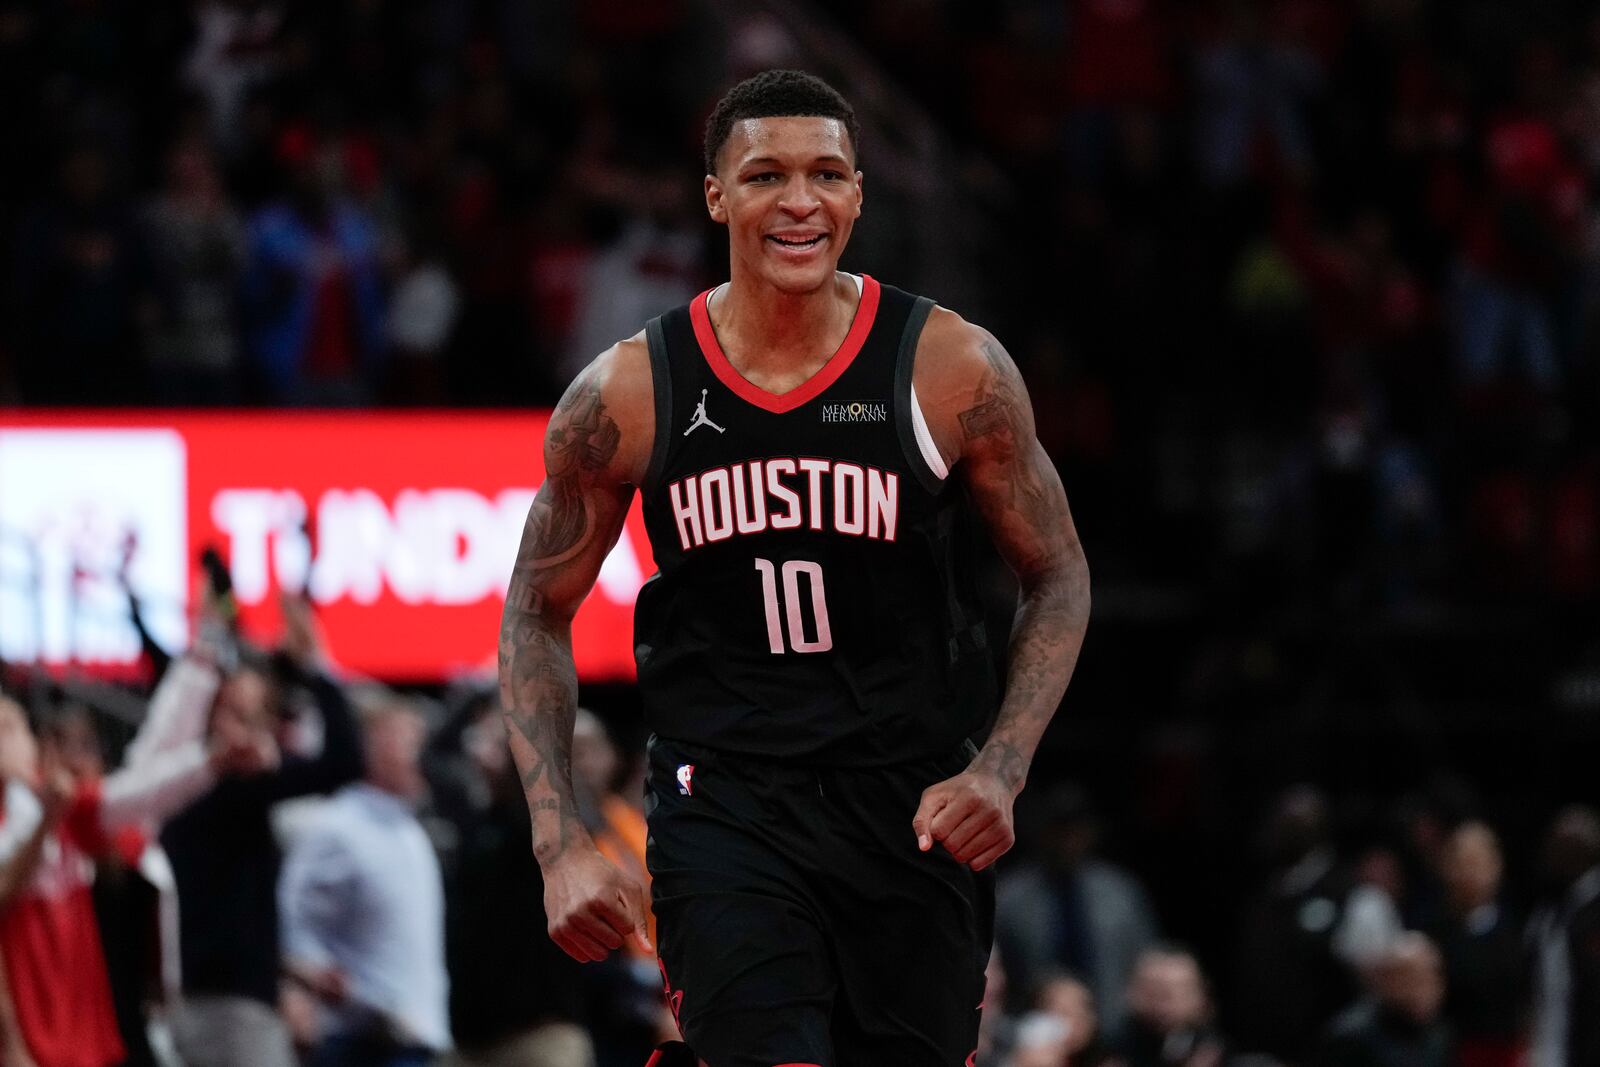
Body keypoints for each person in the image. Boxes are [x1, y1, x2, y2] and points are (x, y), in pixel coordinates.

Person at [497, 69, 1091, 1067]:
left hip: (910, 800)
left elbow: (1058, 572)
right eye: (766, 174)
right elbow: (534, 611)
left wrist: (1001, 765)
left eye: (826, 173)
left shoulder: (949, 367)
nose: (800, 201)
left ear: (859, 192)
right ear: (715, 195)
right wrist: (559, 842)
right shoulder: (628, 391)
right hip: (726, 800)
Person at [279, 698, 450, 1067]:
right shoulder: (337, 825)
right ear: (371, 744)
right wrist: (313, 976)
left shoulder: (410, 830)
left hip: (414, 1035)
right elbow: (292, 917)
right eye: (407, 741)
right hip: (359, 1040)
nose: (421, 755)